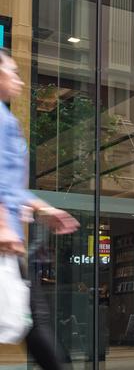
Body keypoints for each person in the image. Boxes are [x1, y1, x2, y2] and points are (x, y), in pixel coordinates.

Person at [0, 49, 80, 370]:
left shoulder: (7, 119)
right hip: (4, 242)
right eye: (12, 71)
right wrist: (4, 225)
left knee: (36, 322)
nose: (19, 79)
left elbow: (12, 187)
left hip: (8, 244)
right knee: (37, 324)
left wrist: (43, 209)